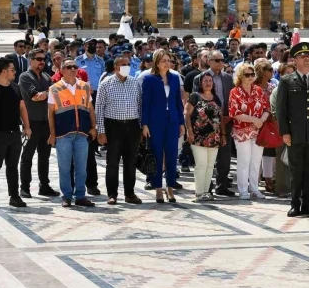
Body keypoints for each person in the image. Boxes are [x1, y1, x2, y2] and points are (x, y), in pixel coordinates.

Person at [277, 42, 309, 217]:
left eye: (308, 56)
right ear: (295, 60)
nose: (306, 59)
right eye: (302, 57)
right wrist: (284, 132)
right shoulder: (286, 81)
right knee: (295, 170)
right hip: (295, 133)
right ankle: (295, 203)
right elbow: (281, 110)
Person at [0, 57, 32, 209]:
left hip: (14, 134)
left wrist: (27, 127)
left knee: (12, 166)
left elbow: (22, 108)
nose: (15, 72)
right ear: (4, 71)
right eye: (12, 70)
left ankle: (14, 197)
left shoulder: (16, 88)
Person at [47, 59, 97, 207]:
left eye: (75, 66)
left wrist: (94, 126)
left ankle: (80, 196)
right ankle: (66, 196)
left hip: (81, 133)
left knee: (82, 167)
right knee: (64, 167)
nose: (73, 69)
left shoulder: (85, 86)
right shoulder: (54, 89)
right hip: (63, 134)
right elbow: (50, 113)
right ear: (62, 70)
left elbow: (90, 108)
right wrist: (52, 133)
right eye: (69, 67)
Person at [95, 56, 143, 205]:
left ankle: (130, 193)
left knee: (130, 162)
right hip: (113, 126)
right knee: (112, 162)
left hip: (132, 126)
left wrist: (140, 129)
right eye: (123, 64)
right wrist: (101, 131)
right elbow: (99, 108)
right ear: (116, 67)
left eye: (128, 64)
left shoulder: (135, 83)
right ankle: (112, 194)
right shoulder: (106, 83)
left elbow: (140, 106)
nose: (127, 67)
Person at [142, 50, 185, 203]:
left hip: (172, 120)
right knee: (157, 154)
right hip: (155, 122)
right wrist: (144, 124)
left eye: (168, 60)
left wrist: (181, 122)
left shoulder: (174, 77)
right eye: (163, 60)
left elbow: (178, 103)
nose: (167, 63)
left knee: (172, 154)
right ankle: (158, 188)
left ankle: (170, 187)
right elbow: (145, 103)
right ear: (156, 62)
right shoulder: (149, 79)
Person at [18, 49, 59, 199]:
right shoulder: (25, 77)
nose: (42, 61)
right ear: (31, 60)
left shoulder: (46, 77)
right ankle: (25, 187)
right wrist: (50, 93)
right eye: (39, 59)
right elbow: (36, 97)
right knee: (27, 156)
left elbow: (52, 95)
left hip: (46, 123)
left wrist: (47, 94)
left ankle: (44, 186)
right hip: (31, 123)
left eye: (44, 59)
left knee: (44, 156)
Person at [229, 62, 270, 199]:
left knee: (256, 161)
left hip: (258, 130)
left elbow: (266, 109)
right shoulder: (234, 92)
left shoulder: (258, 90)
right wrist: (254, 120)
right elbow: (234, 112)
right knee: (243, 161)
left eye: (252, 74)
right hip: (241, 131)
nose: (251, 77)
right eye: (247, 75)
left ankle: (254, 188)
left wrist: (261, 121)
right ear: (240, 76)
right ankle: (243, 190)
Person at [185, 71, 225, 201]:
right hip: (198, 137)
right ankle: (199, 192)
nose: (208, 83)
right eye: (205, 81)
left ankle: (206, 192)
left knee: (210, 165)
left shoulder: (216, 98)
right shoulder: (195, 96)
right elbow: (187, 114)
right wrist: (189, 130)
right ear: (200, 83)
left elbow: (221, 118)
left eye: (210, 81)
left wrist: (223, 134)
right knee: (201, 164)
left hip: (214, 137)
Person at [271, 63, 296, 197]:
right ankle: (282, 188)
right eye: (287, 73)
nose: (290, 76)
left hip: (297, 130)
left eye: (292, 73)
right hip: (282, 130)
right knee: (282, 161)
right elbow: (275, 112)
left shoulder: (298, 89)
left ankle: (295, 188)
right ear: (280, 75)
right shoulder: (277, 90)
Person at [254, 59, 277, 193]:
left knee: (269, 152)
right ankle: (254, 181)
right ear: (262, 72)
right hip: (254, 122)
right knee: (254, 153)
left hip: (269, 123)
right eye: (269, 69)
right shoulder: (252, 87)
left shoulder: (271, 87)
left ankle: (269, 180)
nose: (271, 71)